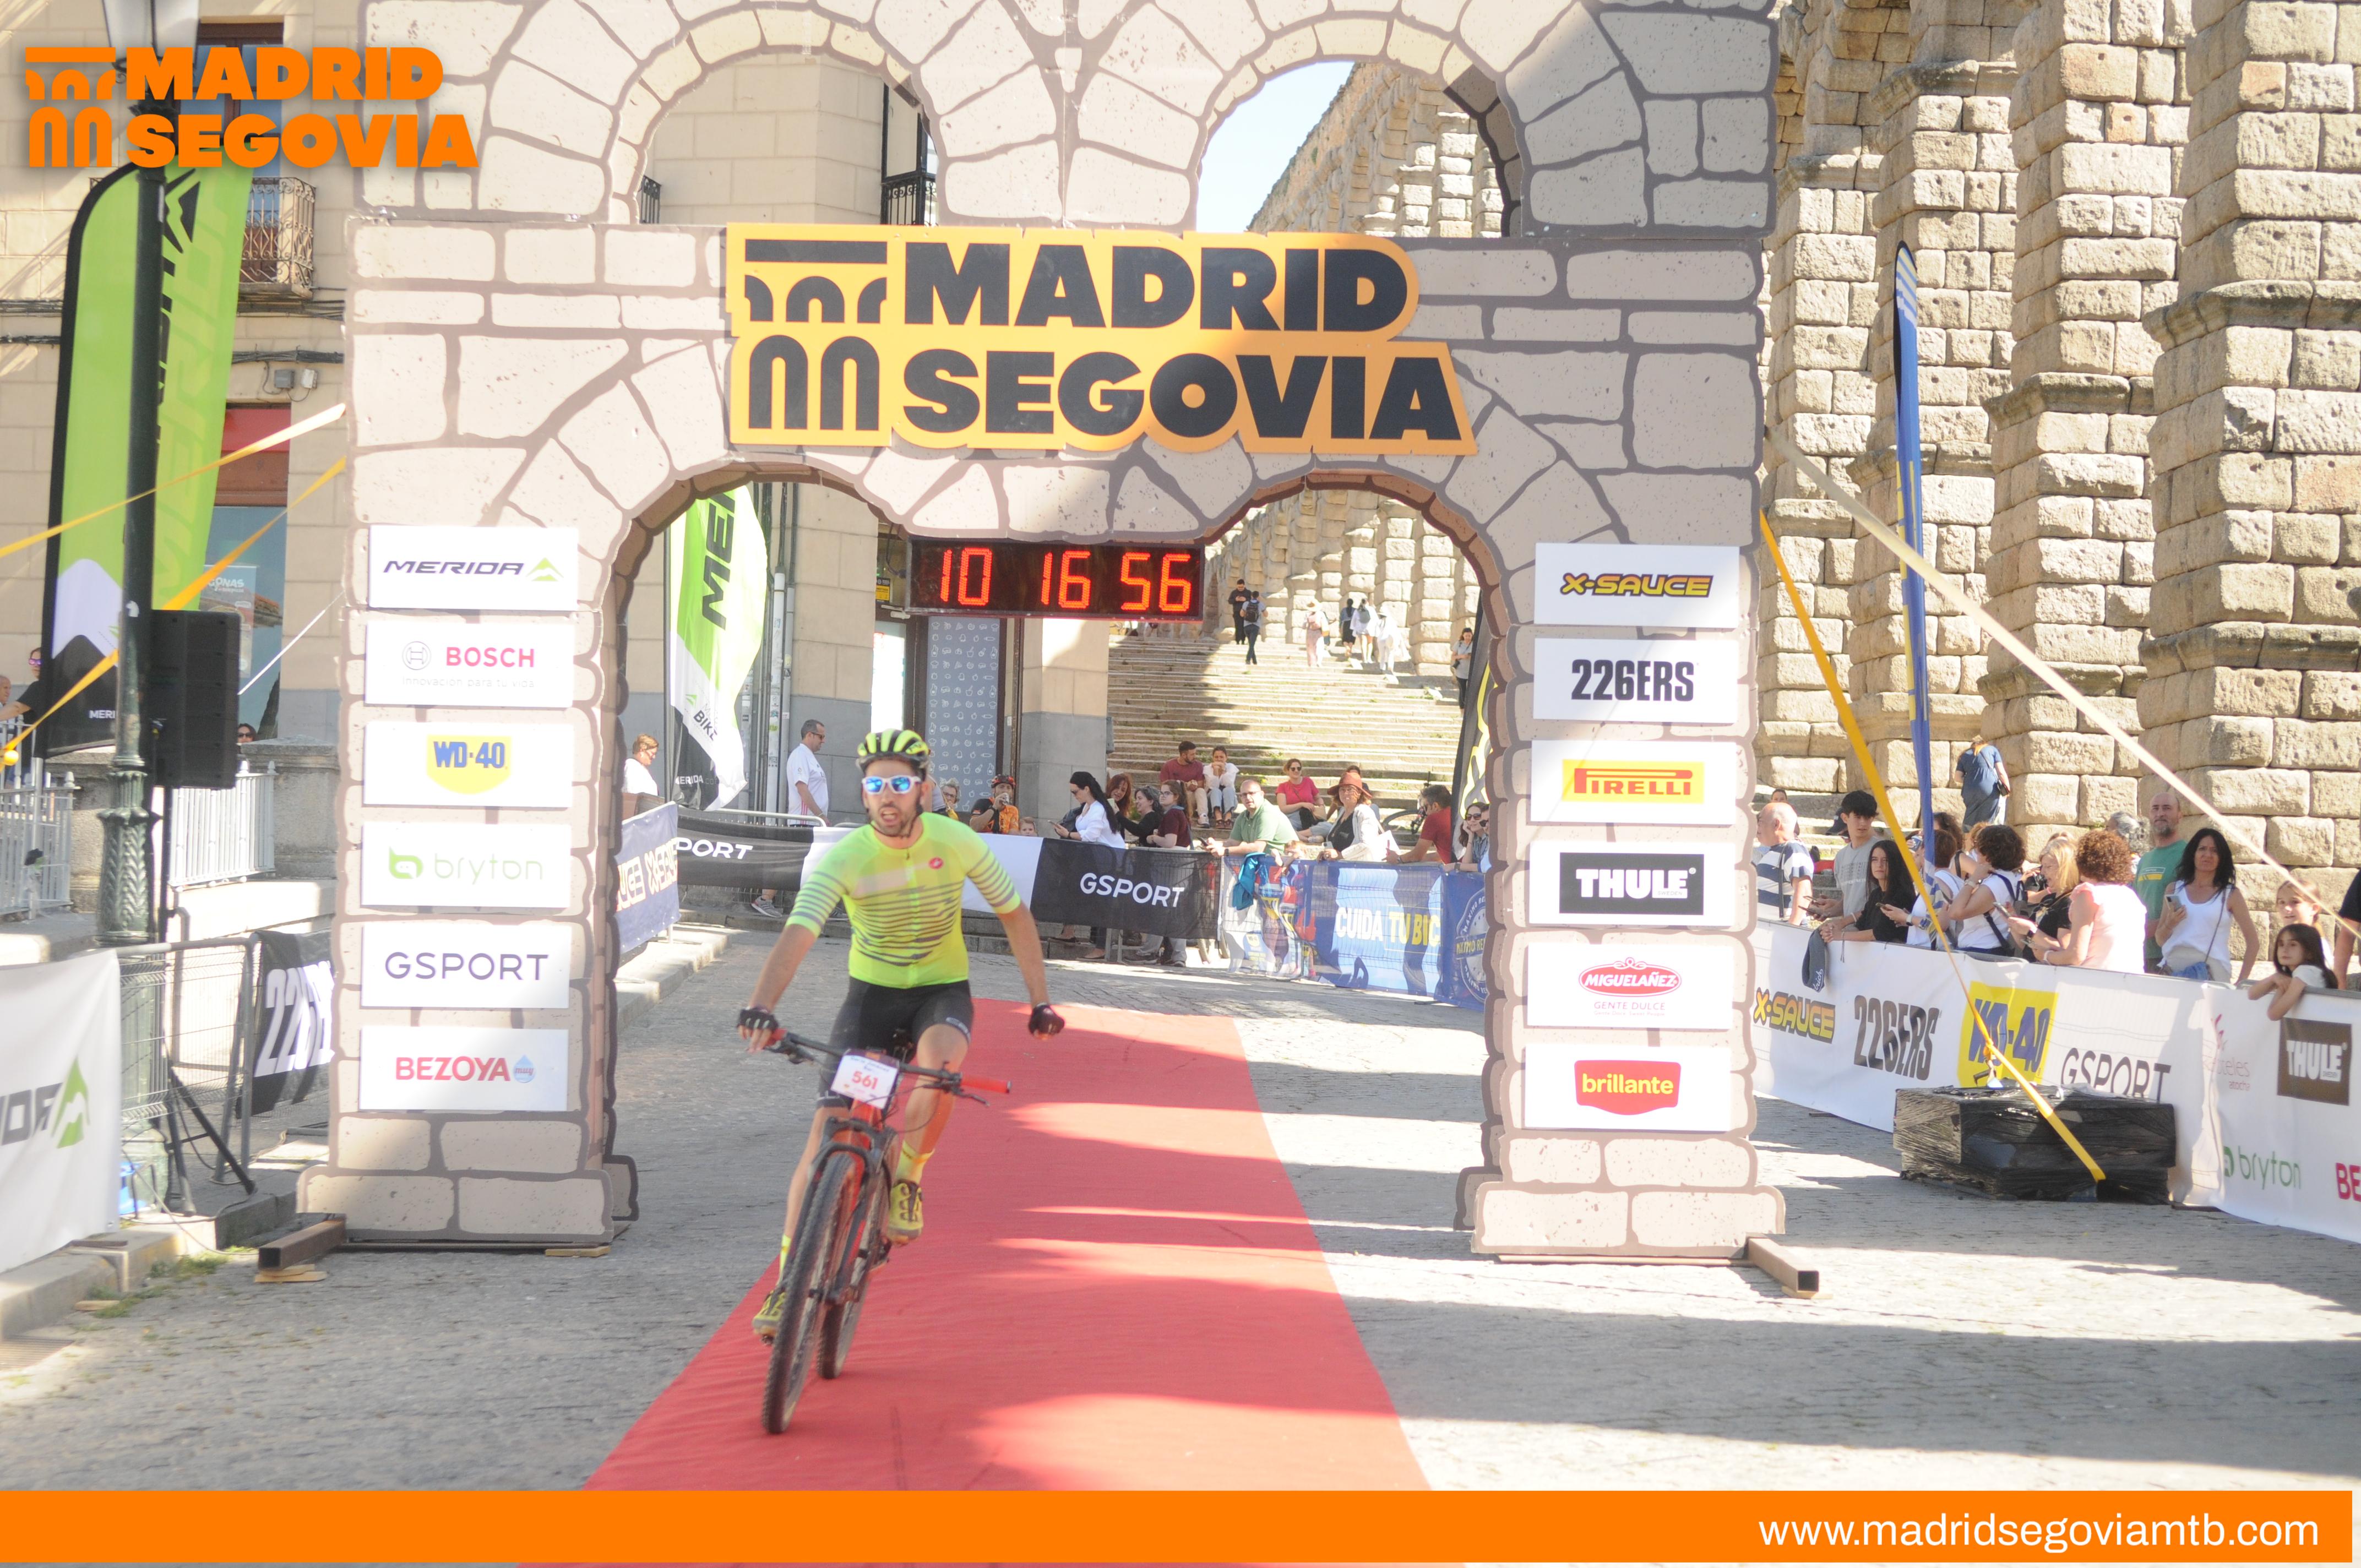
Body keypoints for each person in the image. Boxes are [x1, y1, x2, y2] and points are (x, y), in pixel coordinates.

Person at [735, 728, 1064, 1338]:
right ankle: (787, 1283)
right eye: (875, 785)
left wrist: (1040, 1001)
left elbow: (1014, 915)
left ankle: (908, 1176)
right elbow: (799, 933)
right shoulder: (847, 856)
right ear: (864, 793)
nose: (887, 795)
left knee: (938, 1072)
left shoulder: (956, 840)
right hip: (872, 1000)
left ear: (924, 790)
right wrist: (761, 1005)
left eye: (900, 783)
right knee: (825, 1135)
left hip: (940, 992)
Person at [2155, 826, 2258, 983]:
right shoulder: (2174, 889)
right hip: (2173, 974)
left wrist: (2241, 983)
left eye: (2214, 851)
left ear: (2221, 857)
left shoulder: (2231, 895)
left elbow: (2253, 942)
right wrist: (2170, 924)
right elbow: (2160, 940)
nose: (2208, 855)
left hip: (2212, 976)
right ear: (2193, 854)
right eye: (2202, 849)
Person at [752, 718, 833, 919]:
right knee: (791, 864)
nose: (824, 741)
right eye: (821, 737)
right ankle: (765, 899)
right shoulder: (800, 756)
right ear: (810, 735)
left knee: (812, 864)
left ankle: (821, 906)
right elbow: (802, 788)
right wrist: (820, 815)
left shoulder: (809, 758)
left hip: (812, 822)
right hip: (804, 821)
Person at [2035, 828, 2146, 972]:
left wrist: (2045, 956)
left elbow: (2076, 956)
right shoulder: (2130, 896)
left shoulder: (2088, 894)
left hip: (2094, 979)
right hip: (2132, 978)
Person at [1058, 770, 1127, 960]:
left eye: (1076, 792)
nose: (1075, 796)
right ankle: (1093, 942)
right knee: (1094, 899)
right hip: (1099, 860)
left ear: (1086, 789)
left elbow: (1091, 835)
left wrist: (1068, 834)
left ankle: (1101, 946)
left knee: (1103, 903)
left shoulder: (1098, 809)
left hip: (1109, 862)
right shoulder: (1089, 808)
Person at [1929, 824, 2026, 957]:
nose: (1976, 852)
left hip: (1981, 950)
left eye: (1979, 849)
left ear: (1989, 853)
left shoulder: (1995, 884)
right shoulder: (2013, 877)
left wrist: (1973, 879)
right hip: (1993, 948)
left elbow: (1956, 913)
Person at [1881, 826, 1965, 949]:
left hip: (1932, 953)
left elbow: (1940, 925)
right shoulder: (1956, 881)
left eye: (1919, 849)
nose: (1916, 854)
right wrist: (1909, 919)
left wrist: (1906, 917)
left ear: (1925, 852)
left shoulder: (1937, 882)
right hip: (1932, 951)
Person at [2007, 834, 2081, 959]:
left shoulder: (2070, 902)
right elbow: (2028, 946)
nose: (2042, 872)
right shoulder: (2049, 899)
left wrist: (2031, 931)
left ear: (2065, 868)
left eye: (2048, 867)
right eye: (2043, 866)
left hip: (2049, 969)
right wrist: (2014, 924)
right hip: (2032, 966)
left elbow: (2064, 949)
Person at [2131, 790, 2183, 970]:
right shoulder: (2145, 859)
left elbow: (2187, 904)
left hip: (2168, 955)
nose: (2160, 813)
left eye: (2167, 808)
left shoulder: (2187, 854)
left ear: (2180, 816)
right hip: (2139, 953)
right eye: (2155, 809)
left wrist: (2154, 927)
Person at [2249, 924, 2341, 1020]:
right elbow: (2252, 995)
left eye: (2293, 945)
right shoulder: (2291, 973)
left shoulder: (2306, 971)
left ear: (2309, 953)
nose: (2285, 950)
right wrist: (2274, 978)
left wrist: (2282, 988)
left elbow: (2274, 1014)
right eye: (2281, 944)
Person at [1830, 840, 1913, 943]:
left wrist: (1841, 935)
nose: (1879, 865)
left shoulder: (1902, 894)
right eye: (1875, 860)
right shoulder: (1875, 894)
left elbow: (1879, 933)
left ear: (1895, 863)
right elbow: (1861, 925)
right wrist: (1832, 931)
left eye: (1886, 860)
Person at [1817, 790, 1880, 921]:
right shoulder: (1841, 857)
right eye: (1858, 817)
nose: (1863, 823)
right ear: (1845, 818)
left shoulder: (1882, 850)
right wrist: (1827, 912)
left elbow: (1888, 898)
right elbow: (1848, 900)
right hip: (1849, 928)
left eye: (1868, 818)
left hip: (1874, 927)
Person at [1754, 802, 1815, 927]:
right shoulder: (1775, 851)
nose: (1757, 828)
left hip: (1781, 932)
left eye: (1760, 823)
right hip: (1770, 930)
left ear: (1776, 824)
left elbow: (1804, 891)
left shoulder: (1793, 849)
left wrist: (1791, 929)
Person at [1319, 776, 1392, 862]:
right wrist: (1327, 854)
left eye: (1350, 789)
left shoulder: (1364, 812)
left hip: (1359, 868)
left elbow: (1367, 844)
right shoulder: (1342, 812)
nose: (1345, 793)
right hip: (1339, 867)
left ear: (1359, 793)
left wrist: (1341, 855)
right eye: (1342, 790)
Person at [1223, 776, 1294, 861]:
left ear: (1262, 794)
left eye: (1252, 793)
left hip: (1289, 863)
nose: (1248, 798)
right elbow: (1232, 843)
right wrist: (1215, 846)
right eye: (1244, 795)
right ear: (1240, 798)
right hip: (1268, 863)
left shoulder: (1267, 814)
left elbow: (1258, 848)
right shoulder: (1243, 817)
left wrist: (1225, 851)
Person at [1956, 735, 2009, 827]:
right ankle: (1987, 834)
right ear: (1984, 743)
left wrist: (1972, 780)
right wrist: (2007, 790)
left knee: (1971, 820)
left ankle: (1969, 834)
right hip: (1989, 789)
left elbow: (1957, 777)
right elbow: (2001, 773)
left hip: (1969, 791)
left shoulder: (1965, 755)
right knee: (1990, 822)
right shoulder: (1992, 750)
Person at [1402, 782, 1454, 864]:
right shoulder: (1455, 813)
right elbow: (1440, 856)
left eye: (1425, 808)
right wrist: (1406, 858)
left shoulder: (1434, 819)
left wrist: (1398, 859)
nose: (1425, 813)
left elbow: (1416, 856)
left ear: (1435, 806)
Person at [1160, 740, 1209, 825]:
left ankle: (1203, 816)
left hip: (1191, 798)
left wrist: (1194, 786)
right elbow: (1164, 787)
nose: (1195, 757)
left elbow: (1200, 785)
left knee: (1201, 791)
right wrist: (1186, 786)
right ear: (1184, 755)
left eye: (1195, 754)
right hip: (1175, 799)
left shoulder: (1198, 765)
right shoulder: (1169, 766)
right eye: (1192, 755)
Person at [1274, 758, 1323, 832]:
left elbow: (1318, 798)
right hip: (1293, 818)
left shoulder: (1308, 781)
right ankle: (1307, 836)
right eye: (1293, 769)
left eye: (1299, 768)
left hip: (1310, 816)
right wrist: (1301, 804)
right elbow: (1283, 809)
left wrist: (1321, 805)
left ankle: (1300, 835)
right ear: (1288, 770)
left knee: (1327, 827)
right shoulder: (1282, 787)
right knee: (1285, 828)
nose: (1296, 771)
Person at [621, 733, 662, 819]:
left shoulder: (640, 768)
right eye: (652, 753)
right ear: (642, 751)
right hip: (638, 818)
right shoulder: (632, 767)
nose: (654, 757)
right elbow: (632, 794)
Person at [1203, 746, 1239, 825]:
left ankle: (1228, 818)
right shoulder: (1207, 769)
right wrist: (1216, 771)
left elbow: (1228, 784)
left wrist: (1223, 771)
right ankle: (1218, 817)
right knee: (1216, 791)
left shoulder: (1231, 767)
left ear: (1226, 758)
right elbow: (1213, 787)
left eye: (1221, 757)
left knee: (1228, 790)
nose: (1219, 760)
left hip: (1230, 800)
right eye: (1216, 757)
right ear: (1213, 758)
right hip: (1212, 801)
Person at [1453, 798, 1490, 873]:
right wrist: (1470, 836)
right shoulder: (1475, 838)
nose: (1472, 820)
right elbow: (1466, 864)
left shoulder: (1490, 837)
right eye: (1469, 817)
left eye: (1477, 817)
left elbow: (1483, 866)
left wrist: (1455, 866)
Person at [1451, 625, 1475, 706]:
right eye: (1466, 636)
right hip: (1461, 671)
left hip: (1471, 671)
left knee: (1472, 691)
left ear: (1472, 636)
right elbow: (1453, 657)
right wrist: (1462, 656)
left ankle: (1470, 709)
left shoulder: (1474, 644)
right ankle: (1462, 710)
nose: (1468, 638)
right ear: (1463, 636)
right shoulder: (1459, 644)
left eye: (1469, 636)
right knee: (1462, 691)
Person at [1238, 590, 1263, 666]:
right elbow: (1266, 615)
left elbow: (1241, 614)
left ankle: (1255, 661)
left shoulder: (1246, 603)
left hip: (1247, 626)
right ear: (1258, 597)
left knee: (1251, 643)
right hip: (1256, 626)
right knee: (1252, 644)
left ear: (1251, 596)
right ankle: (1248, 660)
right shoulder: (1261, 604)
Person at [1303, 601, 1329, 668]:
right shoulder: (1321, 614)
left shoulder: (1308, 614)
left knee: (1310, 648)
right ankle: (1319, 662)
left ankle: (1311, 663)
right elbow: (1325, 623)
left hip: (1310, 633)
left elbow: (1304, 625)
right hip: (1318, 632)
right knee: (1319, 647)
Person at [1227, 578, 1251, 642]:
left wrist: (1246, 600)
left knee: (1245, 626)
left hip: (1246, 613)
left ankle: (1243, 640)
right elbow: (1230, 601)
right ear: (1237, 586)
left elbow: (1253, 601)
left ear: (1244, 586)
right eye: (1239, 587)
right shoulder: (1234, 593)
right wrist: (1236, 600)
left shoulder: (1248, 593)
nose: (1240, 588)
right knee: (1238, 626)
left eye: (1242, 587)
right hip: (1237, 612)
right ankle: (1237, 640)